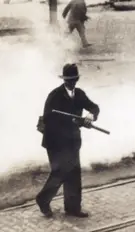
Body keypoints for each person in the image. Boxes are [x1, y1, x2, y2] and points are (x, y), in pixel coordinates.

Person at [36, 63, 100, 218]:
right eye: (68, 80)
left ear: (77, 79)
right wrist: (71, 122)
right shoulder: (54, 96)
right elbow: (48, 121)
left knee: (74, 174)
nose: (71, 83)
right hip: (55, 142)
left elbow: (94, 107)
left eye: (73, 80)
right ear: (63, 79)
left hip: (72, 141)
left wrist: (90, 117)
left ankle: (72, 208)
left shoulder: (79, 94)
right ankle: (43, 199)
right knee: (60, 172)